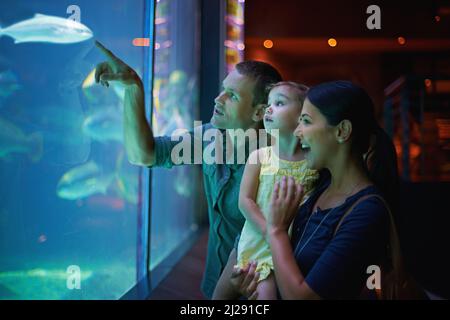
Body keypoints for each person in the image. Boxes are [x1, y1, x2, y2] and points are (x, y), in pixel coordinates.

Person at [94, 40, 283, 299]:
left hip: (258, 290)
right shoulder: (210, 137)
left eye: (233, 96)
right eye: (223, 89)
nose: (219, 98)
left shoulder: (279, 162)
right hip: (215, 282)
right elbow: (144, 154)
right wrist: (133, 89)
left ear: (260, 112)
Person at [231, 80, 400, 299]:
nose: (298, 132)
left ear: (342, 131)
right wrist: (250, 283)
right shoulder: (319, 186)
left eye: (306, 121)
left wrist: (276, 230)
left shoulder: (366, 212)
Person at [212, 82, 319, 300]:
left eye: (279, 103)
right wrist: (270, 231)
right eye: (269, 103)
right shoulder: (260, 157)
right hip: (248, 247)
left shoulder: (314, 162)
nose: (269, 109)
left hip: (277, 257)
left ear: (302, 116)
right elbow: (245, 201)